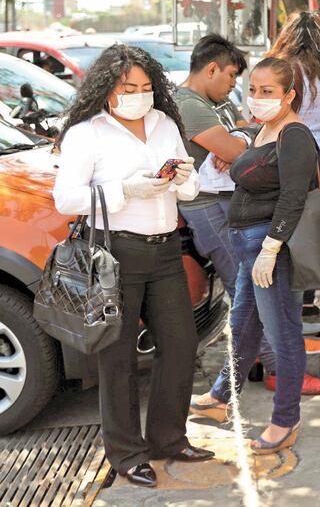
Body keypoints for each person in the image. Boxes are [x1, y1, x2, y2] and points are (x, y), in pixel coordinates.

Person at [53, 45, 212, 488]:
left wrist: (184, 180)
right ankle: (126, 453)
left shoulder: (164, 123)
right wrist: (125, 191)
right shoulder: (88, 134)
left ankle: (168, 438)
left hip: (165, 251)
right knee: (117, 358)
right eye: (129, 88)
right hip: (114, 254)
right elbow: (65, 198)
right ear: (107, 91)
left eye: (145, 87)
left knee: (181, 345)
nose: (139, 95)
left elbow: (191, 186)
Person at [192, 57, 318, 454]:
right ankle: (220, 397)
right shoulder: (266, 129)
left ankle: (285, 420)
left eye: (269, 91)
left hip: (270, 249)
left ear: (289, 95)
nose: (258, 97)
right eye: (254, 89)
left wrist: (271, 247)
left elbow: (294, 196)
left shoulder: (294, 133)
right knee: (243, 323)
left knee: (283, 335)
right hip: (250, 246)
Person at [271, 11, 320, 323]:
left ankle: (283, 294)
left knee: (283, 221)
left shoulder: (281, 69)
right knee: (315, 227)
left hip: (288, 151)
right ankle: (307, 298)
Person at [175, 35, 248, 305]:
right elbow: (235, 151)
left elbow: (252, 129)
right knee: (242, 285)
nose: (233, 84)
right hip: (206, 206)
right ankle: (257, 347)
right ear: (212, 69)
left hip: (229, 199)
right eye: (231, 75)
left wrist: (240, 139)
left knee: (248, 283)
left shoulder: (220, 101)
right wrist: (237, 148)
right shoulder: (189, 105)